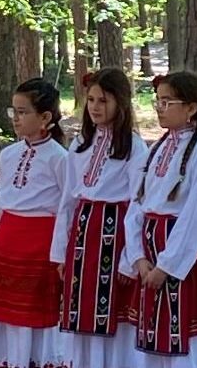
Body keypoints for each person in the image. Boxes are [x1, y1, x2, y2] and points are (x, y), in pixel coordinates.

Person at [121, 72, 197, 368]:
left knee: (188, 340)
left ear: (191, 108)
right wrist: (138, 257)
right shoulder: (156, 149)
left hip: (185, 260)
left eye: (167, 102)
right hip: (150, 252)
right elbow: (137, 204)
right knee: (153, 337)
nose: (159, 108)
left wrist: (167, 266)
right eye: (158, 101)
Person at [50, 68, 148, 368]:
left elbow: (138, 204)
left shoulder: (133, 147)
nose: (94, 107)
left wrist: (128, 260)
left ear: (121, 103)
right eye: (91, 99)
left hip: (114, 235)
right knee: (81, 311)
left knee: (113, 315)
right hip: (83, 236)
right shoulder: (81, 143)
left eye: (103, 101)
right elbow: (68, 200)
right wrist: (61, 252)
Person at [0, 78, 68, 368]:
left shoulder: (60, 158)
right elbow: (2, 203)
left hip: (40, 251)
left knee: (33, 316)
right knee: (4, 315)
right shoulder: (8, 155)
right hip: (7, 246)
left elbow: (67, 209)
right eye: (13, 111)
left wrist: (60, 253)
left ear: (45, 117)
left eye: (22, 112)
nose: (15, 118)